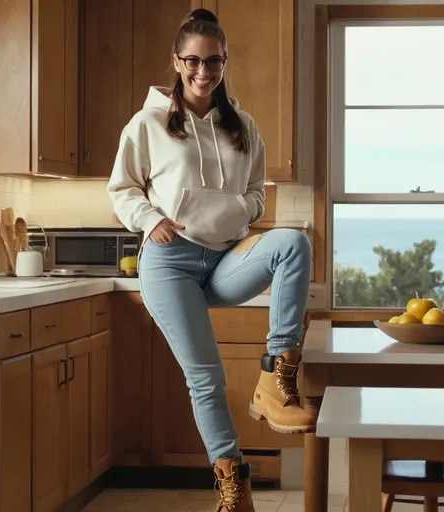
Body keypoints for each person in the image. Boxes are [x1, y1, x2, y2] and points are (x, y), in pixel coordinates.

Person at [107, 8, 313, 511]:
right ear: (177, 62)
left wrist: (240, 212)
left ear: (226, 61)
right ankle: (233, 484)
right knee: (209, 378)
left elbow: (257, 194)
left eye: (214, 61)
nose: (204, 72)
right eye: (193, 61)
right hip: (169, 260)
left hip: (223, 260)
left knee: (294, 244)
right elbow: (122, 188)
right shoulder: (148, 123)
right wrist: (149, 218)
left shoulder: (241, 125)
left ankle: (275, 375)